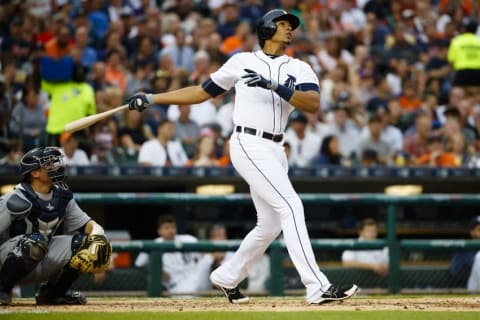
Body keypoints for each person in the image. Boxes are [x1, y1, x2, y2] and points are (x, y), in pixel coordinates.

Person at [126, 9, 358, 304]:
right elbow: (201, 92)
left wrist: (276, 86)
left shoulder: (299, 68)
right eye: (283, 24)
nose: (289, 29)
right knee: (291, 206)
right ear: (267, 29)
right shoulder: (242, 61)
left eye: (291, 26)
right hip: (248, 141)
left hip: (276, 149)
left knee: (271, 225)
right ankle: (316, 286)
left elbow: (312, 103)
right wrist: (153, 98)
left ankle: (227, 276)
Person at [0, 146, 111, 305]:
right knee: (35, 242)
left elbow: (88, 225)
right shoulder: (14, 198)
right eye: (49, 164)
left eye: (55, 162)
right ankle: (2, 289)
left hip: (40, 255)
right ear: (35, 173)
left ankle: (53, 294)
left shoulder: (62, 196)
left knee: (83, 243)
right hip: (7, 260)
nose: (56, 167)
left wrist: (98, 237)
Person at [134, 215, 224, 295]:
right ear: (159, 231)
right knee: (209, 258)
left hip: (196, 278)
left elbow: (204, 250)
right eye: (167, 228)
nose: (171, 230)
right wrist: (157, 271)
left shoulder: (187, 239)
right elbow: (139, 263)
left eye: (173, 227)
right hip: (177, 286)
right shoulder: (155, 243)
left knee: (211, 257)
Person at [451, 215, 480, 291]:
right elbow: (456, 272)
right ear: (472, 232)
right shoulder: (463, 249)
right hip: (467, 290)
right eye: (479, 230)